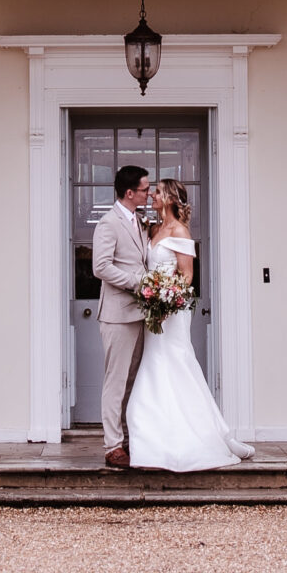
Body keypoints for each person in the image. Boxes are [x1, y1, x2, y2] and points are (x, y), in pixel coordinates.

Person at [123, 178, 255, 472]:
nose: (153, 196)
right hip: (153, 310)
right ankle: (153, 438)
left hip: (173, 310)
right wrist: (152, 299)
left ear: (169, 198)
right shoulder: (153, 229)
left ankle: (196, 435)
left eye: (157, 192)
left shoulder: (180, 231)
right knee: (154, 364)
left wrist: (167, 302)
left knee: (177, 363)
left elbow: (186, 276)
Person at [89, 164, 153, 469]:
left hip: (140, 314)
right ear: (130, 193)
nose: (149, 193)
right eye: (145, 189)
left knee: (131, 382)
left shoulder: (140, 222)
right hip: (117, 315)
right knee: (115, 382)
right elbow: (100, 267)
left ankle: (128, 439)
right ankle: (112, 445)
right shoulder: (108, 223)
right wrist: (137, 283)